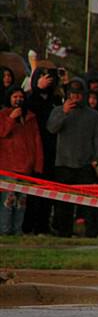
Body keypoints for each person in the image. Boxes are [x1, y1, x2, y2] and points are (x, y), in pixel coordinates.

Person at [46, 77, 98, 237]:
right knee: (63, 203)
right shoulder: (58, 110)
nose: (75, 97)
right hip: (63, 164)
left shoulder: (93, 115)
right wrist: (64, 112)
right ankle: (64, 232)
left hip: (85, 165)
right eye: (72, 93)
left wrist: (96, 159)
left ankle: (91, 233)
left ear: (84, 95)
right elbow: (51, 128)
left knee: (89, 203)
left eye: (78, 94)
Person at [22, 64, 62, 235]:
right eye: (43, 76)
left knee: (49, 191)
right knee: (33, 191)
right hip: (35, 149)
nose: (48, 79)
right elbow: (29, 108)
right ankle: (29, 225)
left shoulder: (56, 100)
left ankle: (44, 225)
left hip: (53, 151)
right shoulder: (30, 99)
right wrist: (38, 89)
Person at [0, 86, 43, 235]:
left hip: (26, 167)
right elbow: (2, 133)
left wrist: (38, 165)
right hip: (8, 167)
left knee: (21, 203)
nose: (18, 100)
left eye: (21, 97)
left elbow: (37, 142)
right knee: (8, 201)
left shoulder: (30, 117)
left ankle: (18, 230)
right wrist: (11, 119)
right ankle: (5, 230)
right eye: (15, 97)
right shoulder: (3, 115)